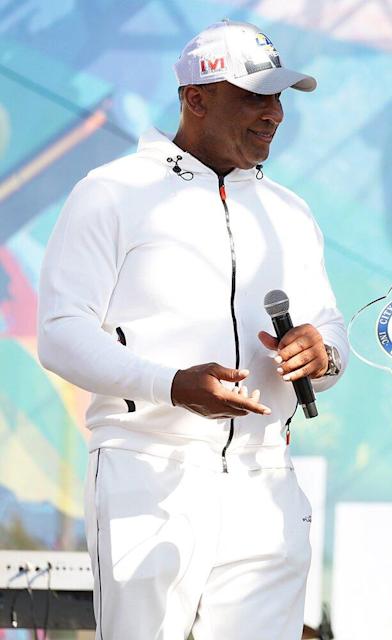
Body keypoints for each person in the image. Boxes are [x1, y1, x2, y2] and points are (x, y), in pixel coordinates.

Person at [37, 20, 347, 640]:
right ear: (196, 97)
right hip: (148, 467)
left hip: (268, 478)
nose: (275, 113)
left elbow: (333, 331)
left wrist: (324, 354)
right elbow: (60, 332)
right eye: (255, 96)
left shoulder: (290, 210)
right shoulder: (112, 192)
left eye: (279, 97)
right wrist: (171, 385)